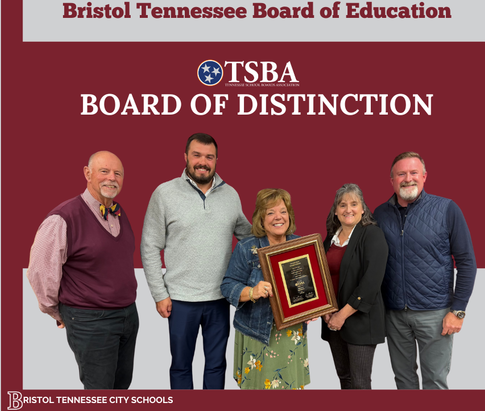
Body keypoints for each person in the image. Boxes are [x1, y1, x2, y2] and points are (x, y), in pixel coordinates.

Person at [141, 133, 252, 389]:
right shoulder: (164, 193)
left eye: (209, 157)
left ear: (216, 160)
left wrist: (284, 238)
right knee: (181, 365)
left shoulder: (231, 195)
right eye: (197, 155)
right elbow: (149, 246)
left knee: (216, 365)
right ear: (186, 157)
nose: (203, 162)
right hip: (180, 300)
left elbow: (249, 236)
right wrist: (159, 294)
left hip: (219, 299)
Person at [26, 151, 139, 389]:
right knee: (99, 392)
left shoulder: (119, 212)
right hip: (91, 320)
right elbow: (40, 271)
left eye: (118, 173)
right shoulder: (63, 217)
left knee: (121, 387)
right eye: (104, 171)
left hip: (127, 316)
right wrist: (58, 312)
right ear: (87, 174)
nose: (112, 178)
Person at [373, 151, 477, 390]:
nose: (408, 179)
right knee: (404, 382)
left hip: (437, 314)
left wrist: (458, 310)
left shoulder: (447, 209)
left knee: (435, 383)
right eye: (401, 174)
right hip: (394, 315)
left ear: (424, 176)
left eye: (413, 173)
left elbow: (467, 262)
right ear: (392, 180)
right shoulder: (379, 214)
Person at [221, 188, 311, 390]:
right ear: (261, 219)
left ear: (289, 216)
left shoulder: (301, 246)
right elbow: (227, 286)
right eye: (270, 212)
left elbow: (310, 289)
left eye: (283, 211)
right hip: (257, 333)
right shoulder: (247, 248)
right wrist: (252, 292)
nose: (278, 217)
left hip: (292, 334)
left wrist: (314, 308)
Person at [320, 183, 389, 389]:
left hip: (360, 320)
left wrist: (342, 315)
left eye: (353, 204)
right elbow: (321, 278)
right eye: (342, 205)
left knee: (359, 383)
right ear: (335, 211)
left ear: (362, 209)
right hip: (332, 320)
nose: (347, 209)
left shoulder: (372, 235)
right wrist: (326, 310)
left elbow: (371, 283)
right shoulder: (329, 240)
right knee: (345, 378)